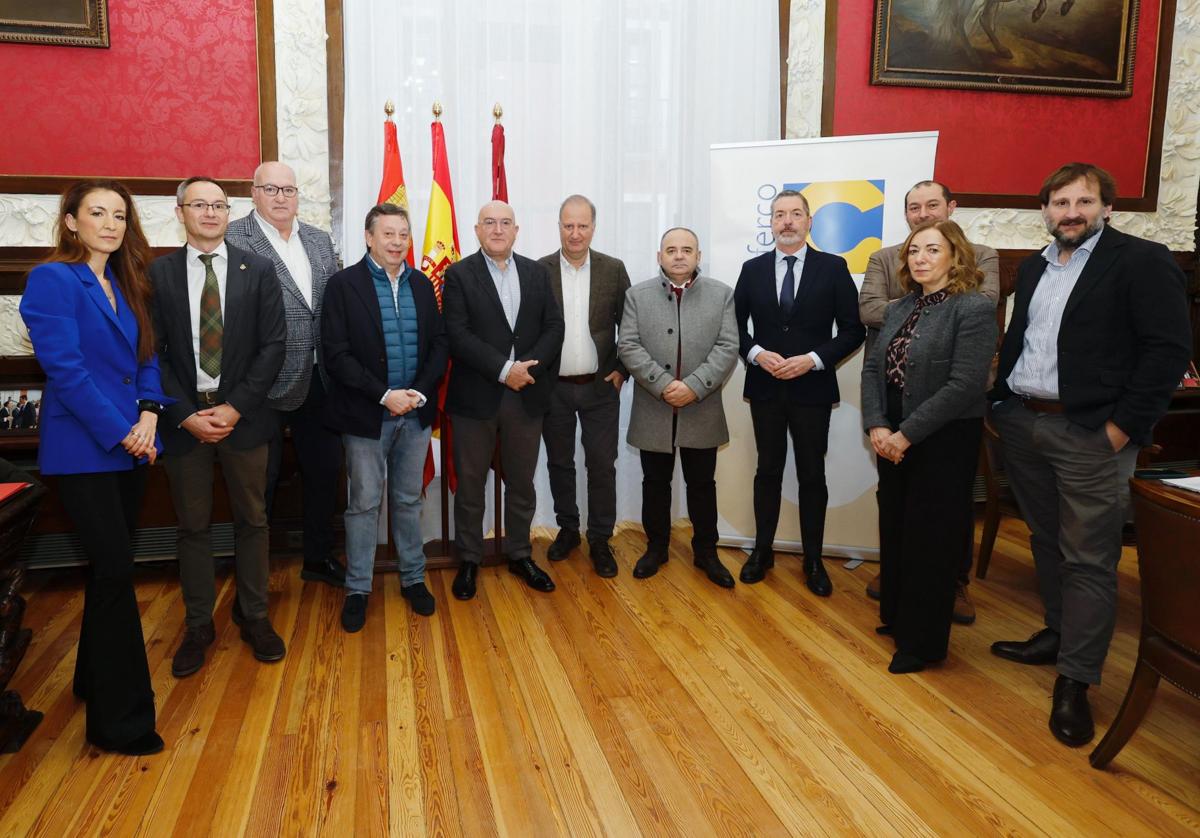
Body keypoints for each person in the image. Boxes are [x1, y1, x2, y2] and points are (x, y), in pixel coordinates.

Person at [988, 163, 1191, 746]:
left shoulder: (1141, 260)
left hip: (1091, 435)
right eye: (1058, 202)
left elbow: (1167, 351)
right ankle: (1057, 632)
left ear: (1107, 208)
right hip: (1025, 425)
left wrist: (1122, 429)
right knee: (1046, 540)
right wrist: (1002, 406)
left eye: (1082, 201)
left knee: (1090, 559)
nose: (1069, 211)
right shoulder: (1033, 266)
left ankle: (1076, 680)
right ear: (1045, 211)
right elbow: (1024, 339)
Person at [20, 180, 168, 755]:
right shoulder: (53, 279)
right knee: (114, 575)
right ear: (71, 221)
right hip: (85, 450)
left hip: (133, 444)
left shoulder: (128, 281)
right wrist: (124, 432)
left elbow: (147, 357)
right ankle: (120, 723)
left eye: (120, 215)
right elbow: (67, 372)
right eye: (98, 213)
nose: (110, 223)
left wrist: (151, 415)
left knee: (111, 568)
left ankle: (90, 679)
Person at [151, 176, 287, 678]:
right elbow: (152, 351)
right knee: (193, 526)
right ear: (180, 211)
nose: (210, 213)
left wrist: (234, 407)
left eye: (218, 205)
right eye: (199, 204)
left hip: (244, 419)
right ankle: (198, 626)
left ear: (229, 212)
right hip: (184, 418)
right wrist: (184, 413)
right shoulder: (158, 274)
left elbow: (274, 345)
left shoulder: (259, 269)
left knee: (253, 521)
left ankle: (255, 616)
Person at [859, 180, 1000, 622]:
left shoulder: (973, 295)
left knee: (941, 520)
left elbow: (965, 373)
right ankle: (900, 602)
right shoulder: (901, 304)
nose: (920, 256)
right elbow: (869, 318)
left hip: (943, 422)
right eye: (915, 251)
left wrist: (905, 434)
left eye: (933, 250)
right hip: (894, 420)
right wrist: (879, 425)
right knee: (898, 513)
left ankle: (945, 594)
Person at [322, 204, 448, 628]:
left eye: (403, 235)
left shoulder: (422, 285)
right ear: (369, 237)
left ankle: (414, 578)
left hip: (414, 415)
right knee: (363, 505)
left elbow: (438, 345)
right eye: (388, 234)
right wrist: (383, 395)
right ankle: (358, 588)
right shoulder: (343, 286)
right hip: (365, 416)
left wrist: (418, 393)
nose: (397, 242)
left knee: (409, 500)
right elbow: (335, 355)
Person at [734, 189, 865, 595]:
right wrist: (755, 353)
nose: (787, 221)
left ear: (810, 222)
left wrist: (813, 359)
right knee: (767, 472)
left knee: (812, 474)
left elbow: (853, 330)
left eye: (795, 214)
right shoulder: (752, 269)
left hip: (812, 389)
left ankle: (813, 560)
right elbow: (733, 330)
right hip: (766, 388)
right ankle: (762, 551)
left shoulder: (834, 267)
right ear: (770, 223)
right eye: (779, 215)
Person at [226, 161, 345, 588]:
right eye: (271, 189)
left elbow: (330, 305)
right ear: (253, 193)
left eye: (289, 190)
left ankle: (317, 557)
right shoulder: (232, 239)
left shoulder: (318, 238)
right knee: (261, 482)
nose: (281, 198)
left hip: (318, 378)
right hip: (260, 383)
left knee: (324, 472)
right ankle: (253, 576)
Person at [442, 200, 565, 600]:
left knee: (521, 482)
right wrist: (503, 369)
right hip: (476, 396)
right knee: (472, 483)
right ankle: (470, 559)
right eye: (490, 223)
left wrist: (529, 368)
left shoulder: (536, 272)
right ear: (477, 230)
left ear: (517, 230)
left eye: (505, 223)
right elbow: (456, 334)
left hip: (526, 395)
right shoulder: (458, 274)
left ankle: (519, 553)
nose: (498, 229)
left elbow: (553, 326)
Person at [618, 227, 739, 588]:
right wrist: (663, 384)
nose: (679, 255)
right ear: (660, 256)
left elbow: (728, 346)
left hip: (701, 407)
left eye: (687, 249)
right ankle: (656, 548)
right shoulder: (637, 296)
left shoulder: (721, 295)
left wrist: (694, 387)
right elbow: (628, 345)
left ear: (698, 256)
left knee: (702, 483)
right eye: (671, 249)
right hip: (655, 407)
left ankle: (706, 552)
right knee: (655, 482)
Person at [538, 195, 631, 577]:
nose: (575, 233)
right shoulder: (538, 270)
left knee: (601, 465)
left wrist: (623, 368)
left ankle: (600, 539)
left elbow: (631, 325)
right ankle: (568, 529)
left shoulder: (612, 269)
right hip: (553, 388)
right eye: (568, 225)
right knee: (560, 462)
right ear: (558, 226)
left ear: (594, 227)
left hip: (599, 387)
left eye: (582, 225)